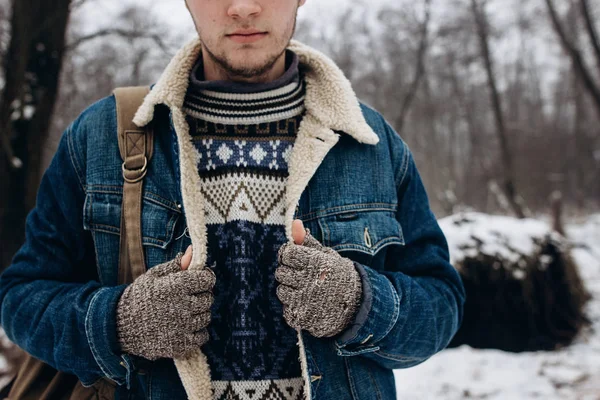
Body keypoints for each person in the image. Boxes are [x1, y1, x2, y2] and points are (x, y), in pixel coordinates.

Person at [0, 0, 465, 399]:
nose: (242, 7)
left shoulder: (371, 143)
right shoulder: (100, 138)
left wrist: (360, 303)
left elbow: (441, 305)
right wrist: (120, 322)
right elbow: (23, 297)